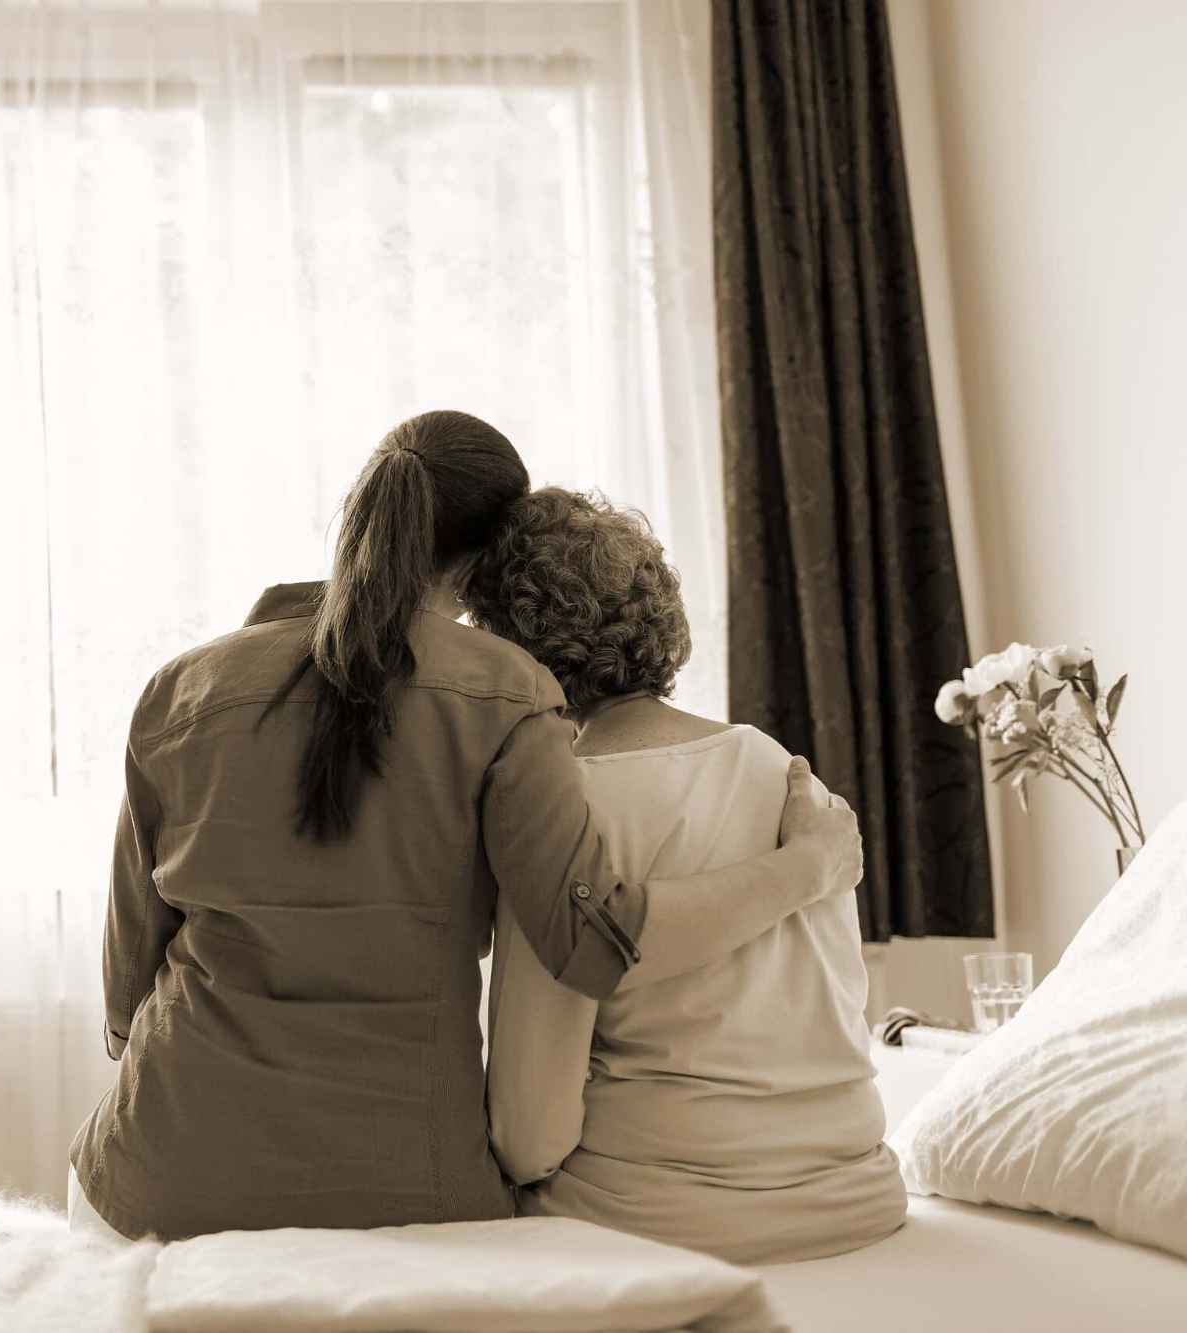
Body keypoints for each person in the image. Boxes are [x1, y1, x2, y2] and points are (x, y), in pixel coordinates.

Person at [67, 412, 863, 1241]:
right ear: (487, 567)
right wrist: (806, 866)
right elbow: (592, 940)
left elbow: (127, 990)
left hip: (154, 1184)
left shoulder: (181, 687)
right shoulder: (512, 695)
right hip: (409, 1200)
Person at [466, 487, 906, 1265]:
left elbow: (530, 1135)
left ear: (511, 650)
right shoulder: (788, 772)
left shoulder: (559, 812)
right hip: (856, 1196)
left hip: (661, 1217)